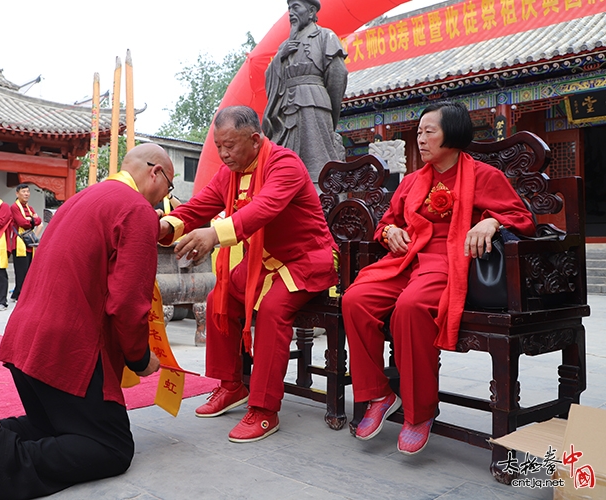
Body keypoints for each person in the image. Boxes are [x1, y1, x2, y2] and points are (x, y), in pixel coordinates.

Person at [0, 143, 173, 500]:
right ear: (155, 172)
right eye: (167, 188)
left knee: (55, 427)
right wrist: (140, 358)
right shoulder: (136, 209)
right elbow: (126, 303)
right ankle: (2, 459)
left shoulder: (81, 198)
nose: (163, 199)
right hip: (68, 346)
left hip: (25, 338)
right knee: (111, 446)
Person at [341, 101, 536, 455]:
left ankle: (419, 412)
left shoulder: (484, 176)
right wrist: (389, 234)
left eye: (430, 131)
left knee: (411, 307)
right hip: (406, 259)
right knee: (355, 300)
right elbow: (387, 221)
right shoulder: (413, 181)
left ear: (454, 134)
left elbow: (521, 218)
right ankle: (379, 394)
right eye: (419, 132)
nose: (421, 139)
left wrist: (490, 221)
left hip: (449, 262)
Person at [158, 105, 337, 443]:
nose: (224, 154)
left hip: (307, 260)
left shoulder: (285, 164)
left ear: (255, 140)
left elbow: (263, 208)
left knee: (272, 309)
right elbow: (200, 205)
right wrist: (166, 224)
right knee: (217, 298)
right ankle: (231, 385)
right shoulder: (230, 171)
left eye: (231, 145)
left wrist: (213, 235)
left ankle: (265, 410)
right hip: (265, 260)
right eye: (219, 146)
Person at [263, 0, 348, 187]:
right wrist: (280, 57)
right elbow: (270, 77)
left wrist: (330, 111)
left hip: (314, 106)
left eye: (296, 7)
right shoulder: (285, 45)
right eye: (288, 8)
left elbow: (337, 76)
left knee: (317, 161)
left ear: (310, 12)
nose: (290, 13)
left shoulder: (326, 36)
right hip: (286, 110)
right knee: (284, 161)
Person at [10, 183, 42, 302]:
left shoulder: (30, 207)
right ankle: (19, 295)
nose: (26, 194)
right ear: (17, 193)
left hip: (29, 243)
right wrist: (33, 219)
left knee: (28, 271)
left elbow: (39, 221)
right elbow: (22, 222)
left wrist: (31, 220)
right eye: (23, 192)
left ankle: (19, 294)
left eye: (28, 192)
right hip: (19, 243)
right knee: (21, 271)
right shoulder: (14, 207)